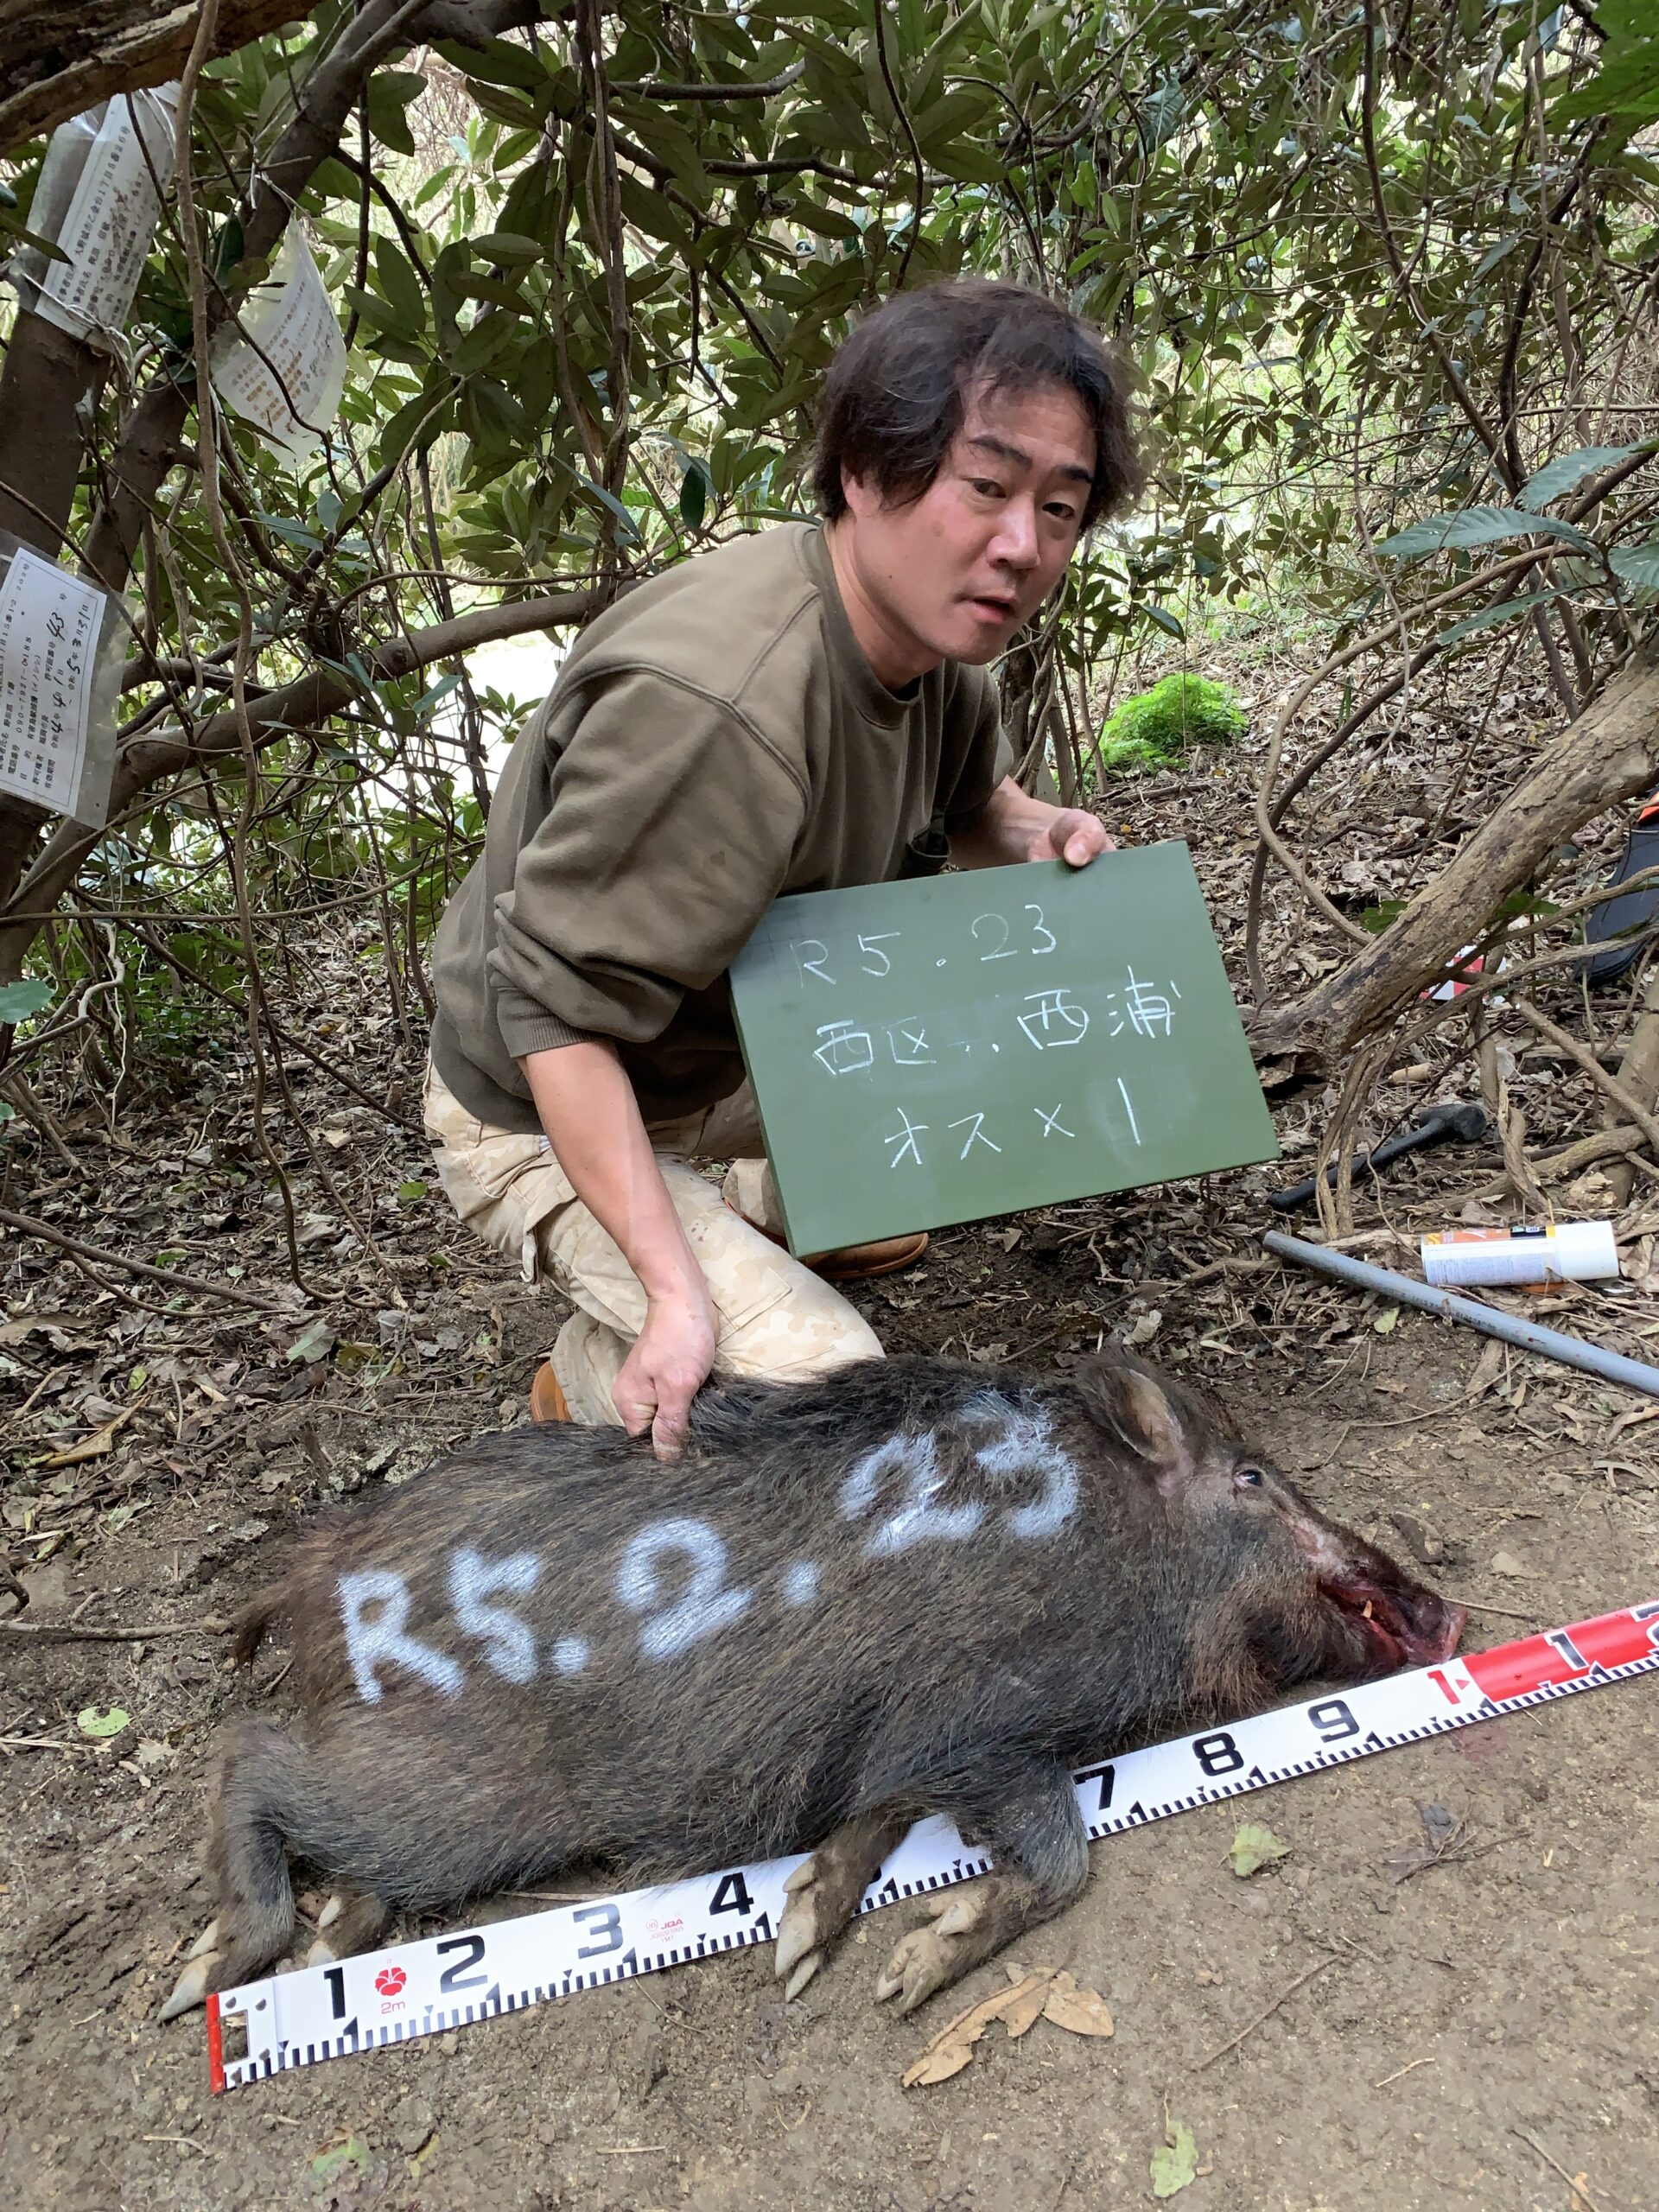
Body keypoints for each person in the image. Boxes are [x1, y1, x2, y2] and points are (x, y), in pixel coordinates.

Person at [425, 279, 1143, 1461]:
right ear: (864, 471)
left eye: (1059, 509)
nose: (1024, 546)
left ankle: (765, 1209)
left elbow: (978, 810)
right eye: (986, 486)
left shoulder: (933, 646)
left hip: (731, 1042)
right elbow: (553, 1022)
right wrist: (674, 1298)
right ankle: (588, 1374)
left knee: (987, 1088)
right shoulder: (721, 711)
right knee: (823, 1390)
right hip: (542, 1096)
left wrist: (1042, 837)